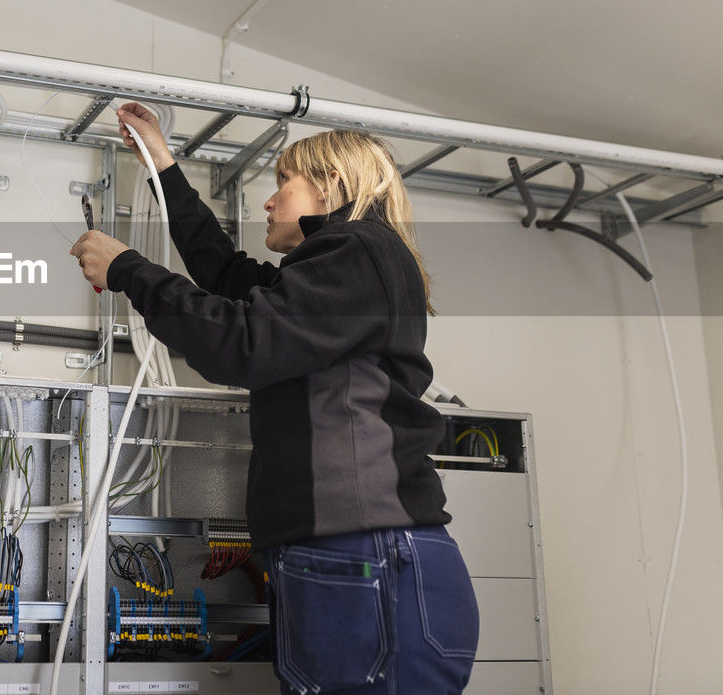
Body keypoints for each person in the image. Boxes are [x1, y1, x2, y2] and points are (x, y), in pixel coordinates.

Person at [69, 103, 479, 694]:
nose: (269, 199)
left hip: (365, 557)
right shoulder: (340, 274)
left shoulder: (358, 249)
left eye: (284, 182)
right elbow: (226, 275)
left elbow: (241, 342)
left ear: (332, 182)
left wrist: (129, 270)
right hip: (357, 561)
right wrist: (162, 164)